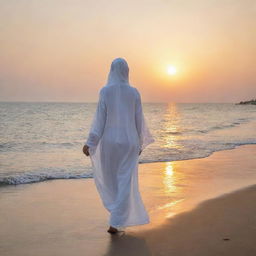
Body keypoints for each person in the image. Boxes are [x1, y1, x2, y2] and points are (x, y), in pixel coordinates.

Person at [83, 58, 154, 234]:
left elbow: (100, 120)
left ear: (112, 71)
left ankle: (115, 220)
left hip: (110, 142)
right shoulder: (134, 92)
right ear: (126, 71)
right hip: (130, 142)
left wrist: (90, 143)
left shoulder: (105, 92)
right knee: (125, 181)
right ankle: (117, 219)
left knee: (111, 180)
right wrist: (140, 143)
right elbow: (139, 120)